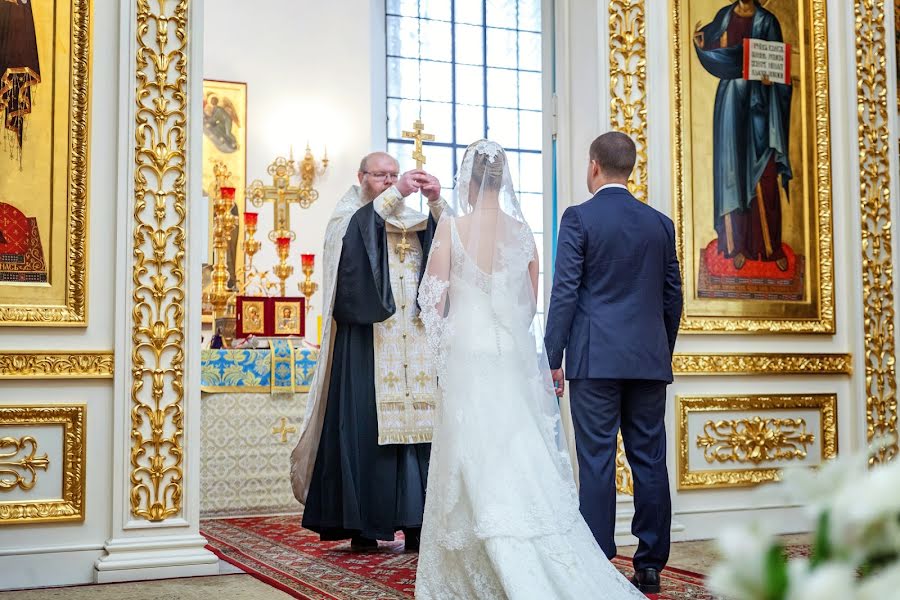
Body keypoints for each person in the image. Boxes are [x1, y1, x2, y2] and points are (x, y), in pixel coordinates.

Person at [415, 140, 646, 599]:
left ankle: (483, 559)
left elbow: (430, 301)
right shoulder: (524, 235)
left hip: (467, 352)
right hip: (508, 356)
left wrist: (443, 349)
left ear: (469, 179)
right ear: (502, 181)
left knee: (470, 454)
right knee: (515, 449)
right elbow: (529, 307)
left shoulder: (452, 229)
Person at [543, 132, 683, 595]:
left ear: (595, 166)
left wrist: (552, 356)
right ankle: (650, 564)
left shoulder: (579, 218)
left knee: (597, 459)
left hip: (594, 360)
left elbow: (564, 292)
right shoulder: (660, 223)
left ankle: (599, 555)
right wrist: (661, 347)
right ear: (631, 168)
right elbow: (671, 297)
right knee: (650, 458)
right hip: (647, 360)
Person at [290, 151, 446, 552]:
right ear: (361, 176)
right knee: (366, 427)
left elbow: (450, 247)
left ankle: (417, 522)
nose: (389, 181)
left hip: (416, 337)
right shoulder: (348, 216)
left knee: (421, 430)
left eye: (394, 175)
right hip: (368, 341)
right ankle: (365, 525)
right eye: (380, 175)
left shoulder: (412, 220)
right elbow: (355, 243)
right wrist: (394, 194)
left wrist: (435, 201)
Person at [693, 0, 792, 271]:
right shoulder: (724, 16)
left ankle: (770, 247)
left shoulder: (767, 21)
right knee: (732, 172)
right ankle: (736, 246)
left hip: (760, 107)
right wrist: (701, 44)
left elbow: (778, 65)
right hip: (731, 107)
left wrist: (774, 79)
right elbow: (712, 47)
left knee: (765, 175)